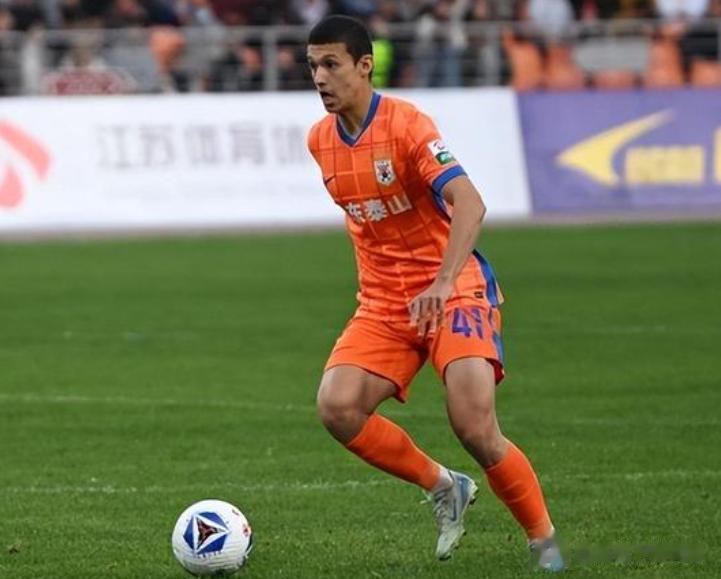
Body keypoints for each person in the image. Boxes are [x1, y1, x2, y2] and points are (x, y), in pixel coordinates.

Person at [305, 14, 564, 572]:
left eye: (331, 64)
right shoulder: (320, 140)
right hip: (384, 302)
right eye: (313, 66)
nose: (320, 78)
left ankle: (544, 541)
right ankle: (445, 485)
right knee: (337, 408)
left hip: (454, 290)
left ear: (364, 66)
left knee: (473, 424)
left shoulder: (407, 126)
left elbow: (470, 203)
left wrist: (443, 283)